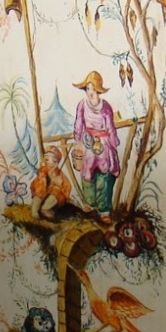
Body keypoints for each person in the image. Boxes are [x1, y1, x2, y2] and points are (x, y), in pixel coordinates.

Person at [71, 71, 120, 221]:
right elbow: (79, 124)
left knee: (104, 176)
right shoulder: (82, 105)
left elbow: (110, 127)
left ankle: (104, 210)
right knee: (87, 174)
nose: (90, 92)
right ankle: (90, 202)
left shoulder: (106, 107)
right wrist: (78, 140)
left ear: (98, 89)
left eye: (93, 88)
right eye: (88, 89)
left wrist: (113, 143)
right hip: (88, 143)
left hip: (103, 144)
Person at [29, 143, 71, 221]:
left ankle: (45, 209)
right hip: (42, 191)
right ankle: (34, 210)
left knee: (56, 192)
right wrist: (44, 181)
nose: (50, 163)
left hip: (52, 194)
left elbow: (66, 186)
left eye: (54, 160)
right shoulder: (43, 169)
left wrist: (58, 182)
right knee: (39, 192)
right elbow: (39, 182)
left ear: (57, 162)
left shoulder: (59, 172)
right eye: (47, 159)